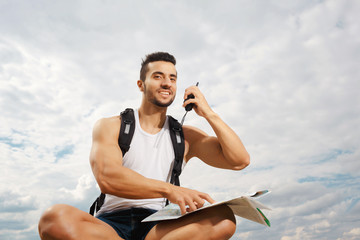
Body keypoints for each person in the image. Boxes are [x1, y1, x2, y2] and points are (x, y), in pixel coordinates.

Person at [38, 52, 250, 240]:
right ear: (141, 84)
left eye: (172, 78)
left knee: (223, 220)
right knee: (53, 218)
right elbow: (107, 177)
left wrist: (209, 114)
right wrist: (170, 190)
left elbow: (239, 161)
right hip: (109, 227)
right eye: (158, 76)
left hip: (158, 226)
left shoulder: (186, 136)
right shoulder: (111, 126)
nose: (167, 83)